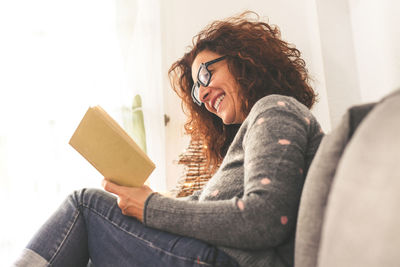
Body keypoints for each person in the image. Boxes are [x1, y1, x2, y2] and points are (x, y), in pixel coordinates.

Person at [13, 11, 323, 267]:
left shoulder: (275, 109)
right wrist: (145, 201)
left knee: (84, 205)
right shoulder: (256, 128)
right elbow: (203, 209)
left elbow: (262, 219)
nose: (201, 95)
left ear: (245, 60)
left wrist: (152, 208)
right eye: (196, 93)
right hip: (213, 255)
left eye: (204, 75)